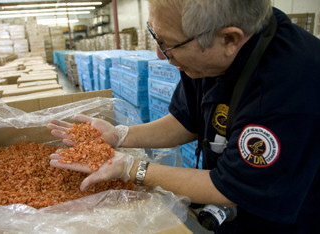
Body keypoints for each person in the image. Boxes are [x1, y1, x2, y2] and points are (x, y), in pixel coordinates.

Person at [47, 0, 320, 233]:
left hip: (284, 216)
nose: (160, 54)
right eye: (156, 37)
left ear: (229, 39)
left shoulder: (290, 85)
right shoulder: (207, 55)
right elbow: (185, 121)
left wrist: (132, 169)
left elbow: (228, 186)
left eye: (168, 45)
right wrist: (120, 135)